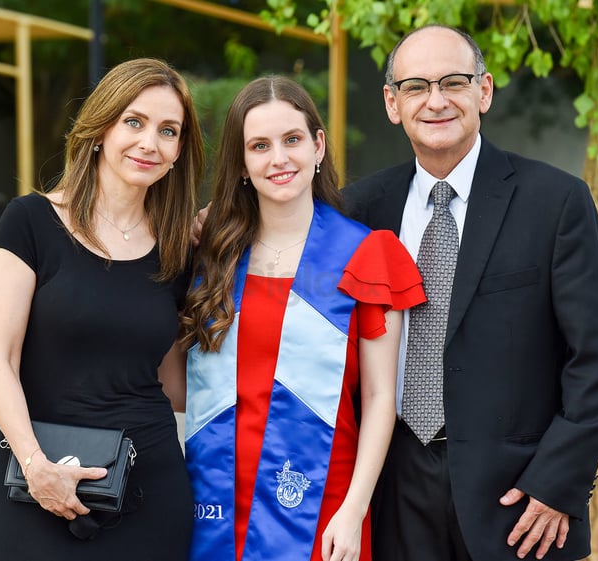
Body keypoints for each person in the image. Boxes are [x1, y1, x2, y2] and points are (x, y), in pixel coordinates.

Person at [343, 25, 598, 561]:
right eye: (417, 87)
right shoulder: (361, 210)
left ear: (484, 91)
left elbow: (595, 359)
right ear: (392, 103)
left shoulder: (556, 202)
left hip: (519, 503)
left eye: (454, 82)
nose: (437, 101)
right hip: (391, 490)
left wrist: (557, 482)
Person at [181, 76, 425, 561]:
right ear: (242, 165)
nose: (279, 159)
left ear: (318, 146)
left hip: (321, 504)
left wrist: (354, 511)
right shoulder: (212, 257)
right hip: (213, 498)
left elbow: (381, 399)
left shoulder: (365, 254)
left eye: (292, 140)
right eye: (259, 145)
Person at [0, 57, 204, 560]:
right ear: (100, 128)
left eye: (168, 131)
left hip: (150, 488)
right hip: (35, 481)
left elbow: (173, 383)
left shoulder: (179, 249)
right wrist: (38, 468)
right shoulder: (30, 222)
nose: (150, 142)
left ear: (178, 152)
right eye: (134, 122)